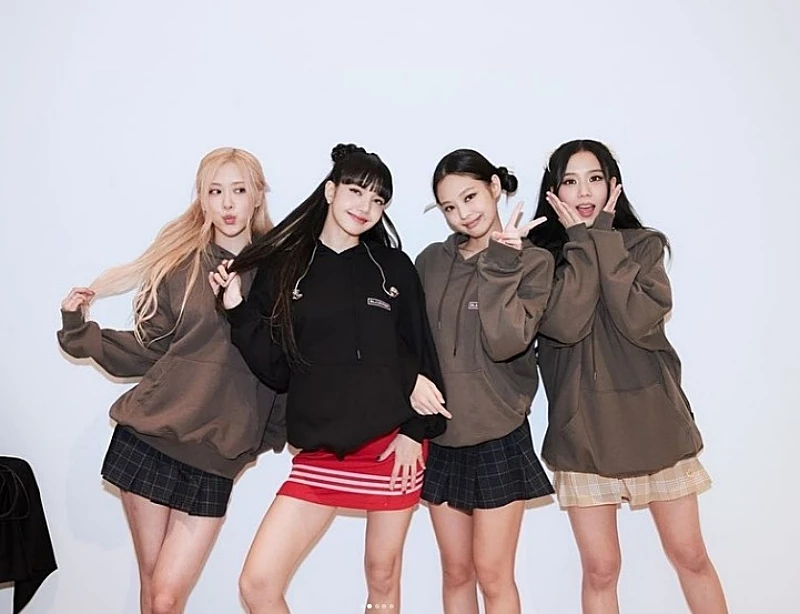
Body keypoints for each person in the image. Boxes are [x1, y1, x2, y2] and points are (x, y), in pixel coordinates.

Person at [212, 144, 446, 614]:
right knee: (258, 583)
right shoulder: (286, 267)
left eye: (378, 200)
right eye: (356, 192)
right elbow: (277, 370)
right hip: (320, 452)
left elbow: (421, 355)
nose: (365, 207)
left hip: (391, 448)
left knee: (382, 578)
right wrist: (237, 310)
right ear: (330, 191)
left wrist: (413, 432)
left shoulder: (393, 268)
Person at [57, 147, 286, 614]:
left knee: (165, 595)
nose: (227, 203)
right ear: (201, 198)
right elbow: (148, 348)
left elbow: (284, 365)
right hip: (150, 439)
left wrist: (261, 434)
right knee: (157, 594)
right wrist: (78, 329)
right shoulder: (184, 265)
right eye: (215, 191)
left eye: (239, 190)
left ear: (258, 196)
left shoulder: (281, 275)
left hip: (215, 455)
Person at [530, 139, 728, 614]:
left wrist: (602, 236)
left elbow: (637, 318)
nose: (584, 191)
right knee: (601, 569)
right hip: (582, 429)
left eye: (594, 178)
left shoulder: (643, 245)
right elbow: (566, 323)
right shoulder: (540, 257)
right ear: (553, 191)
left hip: (654, 421)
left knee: (690, 555)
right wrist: (580, 242)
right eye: (570, 181)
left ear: (613, 186)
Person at [414, 149, 554, 614]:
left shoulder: (533, 262)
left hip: (499, 432)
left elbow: (506, 341)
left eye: (470, 196)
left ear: (495, 187)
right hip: (443, 434)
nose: (463, 213)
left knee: (493, 575)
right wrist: (411, 381)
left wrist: (501, 262)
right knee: (456, 572)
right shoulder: (430, 262)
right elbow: (409, 340)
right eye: (449, 207)